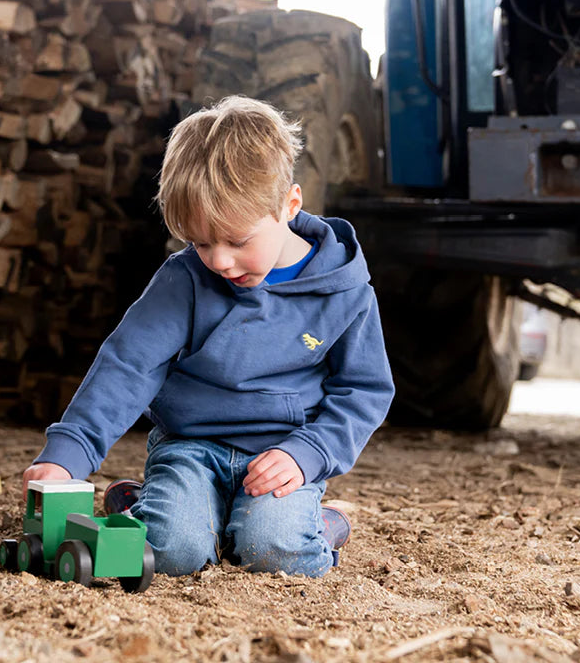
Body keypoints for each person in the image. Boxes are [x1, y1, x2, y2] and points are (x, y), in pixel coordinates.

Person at [23, 95, 395, 578]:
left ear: (290, 204)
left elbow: (363, 392)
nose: (218, 261)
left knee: (275, 553)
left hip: (281, 454)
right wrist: (69, 453)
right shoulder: (184, 281)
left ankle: (316, 524)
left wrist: (308, 455)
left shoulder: (346, 292)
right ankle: (152, 503)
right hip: (191, 447)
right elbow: (128, 365)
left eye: (237, 241)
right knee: (172, 554)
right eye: (199, 242)